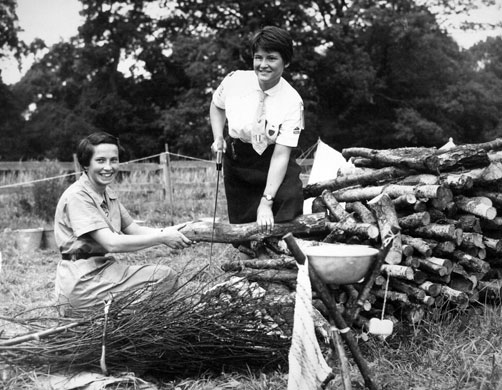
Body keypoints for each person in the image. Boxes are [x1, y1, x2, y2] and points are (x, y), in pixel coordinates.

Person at [54, 132, 193, 316]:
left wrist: (180, 230)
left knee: (164, 277)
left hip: (104, 270)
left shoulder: (107, 193)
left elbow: (134, 229)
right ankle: (110, 322)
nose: (109, 167)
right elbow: (111, 243)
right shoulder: (77, 196)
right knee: (164, 277)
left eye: (114, 160)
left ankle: (118, 322)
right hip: (83, 281)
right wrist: (162, 237)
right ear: (86, 164)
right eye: (101, 161)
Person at [209, 26, 304, 243]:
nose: (263, 65)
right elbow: (216, 106)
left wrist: (267, 201)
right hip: (239, 156)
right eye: (258, 57)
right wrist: (218, 137)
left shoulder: (293, 101)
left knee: (289, 200)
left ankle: (281, 248)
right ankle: (250, 256)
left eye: (271, 58)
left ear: (286, 62)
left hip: (273, 157)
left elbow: (281, 155)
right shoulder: (234, 80)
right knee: (243, 220)